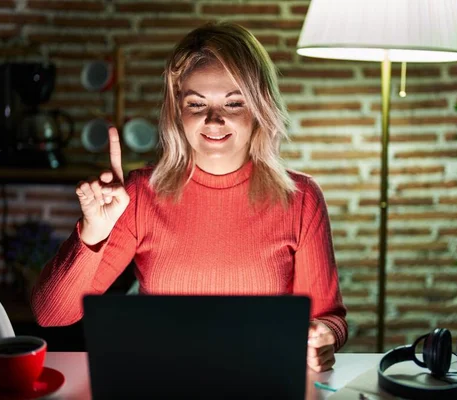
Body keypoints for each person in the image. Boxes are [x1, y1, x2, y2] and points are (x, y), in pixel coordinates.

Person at [31, 21, 347, 373]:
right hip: (164, 379)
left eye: (234, 103)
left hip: (264, 378)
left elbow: (328, 318)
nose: (214, 120)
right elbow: (52, 315)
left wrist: (324, 338)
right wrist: (93, 232)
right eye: (196, 104)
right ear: (177, 111)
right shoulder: (137, 194)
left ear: (260, 109)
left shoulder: (302, 198)